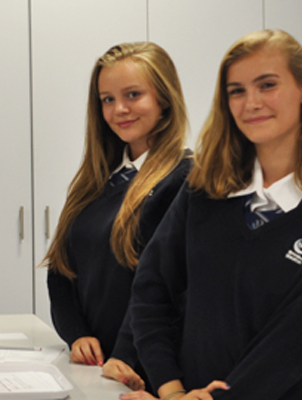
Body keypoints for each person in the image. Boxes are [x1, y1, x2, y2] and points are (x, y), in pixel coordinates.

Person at [124, 29, 302, 400]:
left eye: (267, 85)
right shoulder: (203, 191)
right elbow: (151, 290)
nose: (251, 103)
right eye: (236, 91)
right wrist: (171, 390)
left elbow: (288, 347)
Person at [43, 42, 192, 392]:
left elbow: (161, 286)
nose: (119, 109)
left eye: (133, 95)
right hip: (94, 368)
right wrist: (76, 334)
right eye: (107, 99)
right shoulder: (96, 181)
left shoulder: (183, 179)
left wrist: (125, 355)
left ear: (164, 99)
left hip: (142, 372)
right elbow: (60, 269)